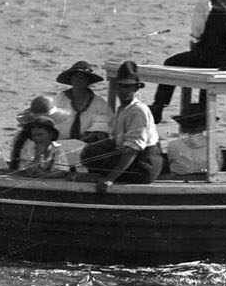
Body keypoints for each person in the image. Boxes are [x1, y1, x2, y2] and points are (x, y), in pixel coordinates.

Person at [150, 0, 226, 123]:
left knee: (171, 62)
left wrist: (196, 53)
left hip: (210, 58)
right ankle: (204, 107)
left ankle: (158, 107)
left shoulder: (205, 3)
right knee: (204, 68)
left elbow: (196, 37)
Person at [82, 61, 163, 193]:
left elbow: (132, 149)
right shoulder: (122, 109)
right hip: (135, 160)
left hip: (145, 166)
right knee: (90, 152)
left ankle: (106, 178)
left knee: (91, 156)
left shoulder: (138, 110)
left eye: (129, 87)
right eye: (121, 86)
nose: (124, 91)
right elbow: (117, 140)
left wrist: (110, 179)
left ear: (136, 89)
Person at [38, 60, 113, 168]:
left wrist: (83, 139)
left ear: (88, 81)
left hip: (84, 150)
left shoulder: (100, 105)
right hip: (57, 146)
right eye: (75, 77)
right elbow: (45, 122)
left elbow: (101, 134)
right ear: (71, 79)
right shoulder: (59, 99)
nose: (78, 80)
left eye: (82, 77)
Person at [163, 105, 210, 176]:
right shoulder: (212, 144)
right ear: (204, 126)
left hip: (179, 181)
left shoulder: (173, 145)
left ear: (184, 126)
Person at [13, 112, 63, 176]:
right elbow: (29, 172)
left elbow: (62, 171)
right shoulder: (27, 149)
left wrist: (43, 175)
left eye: (40, 135)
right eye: (34, 135)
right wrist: (37, 155)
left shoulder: (57, 149)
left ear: (51, 135)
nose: (36, 138)